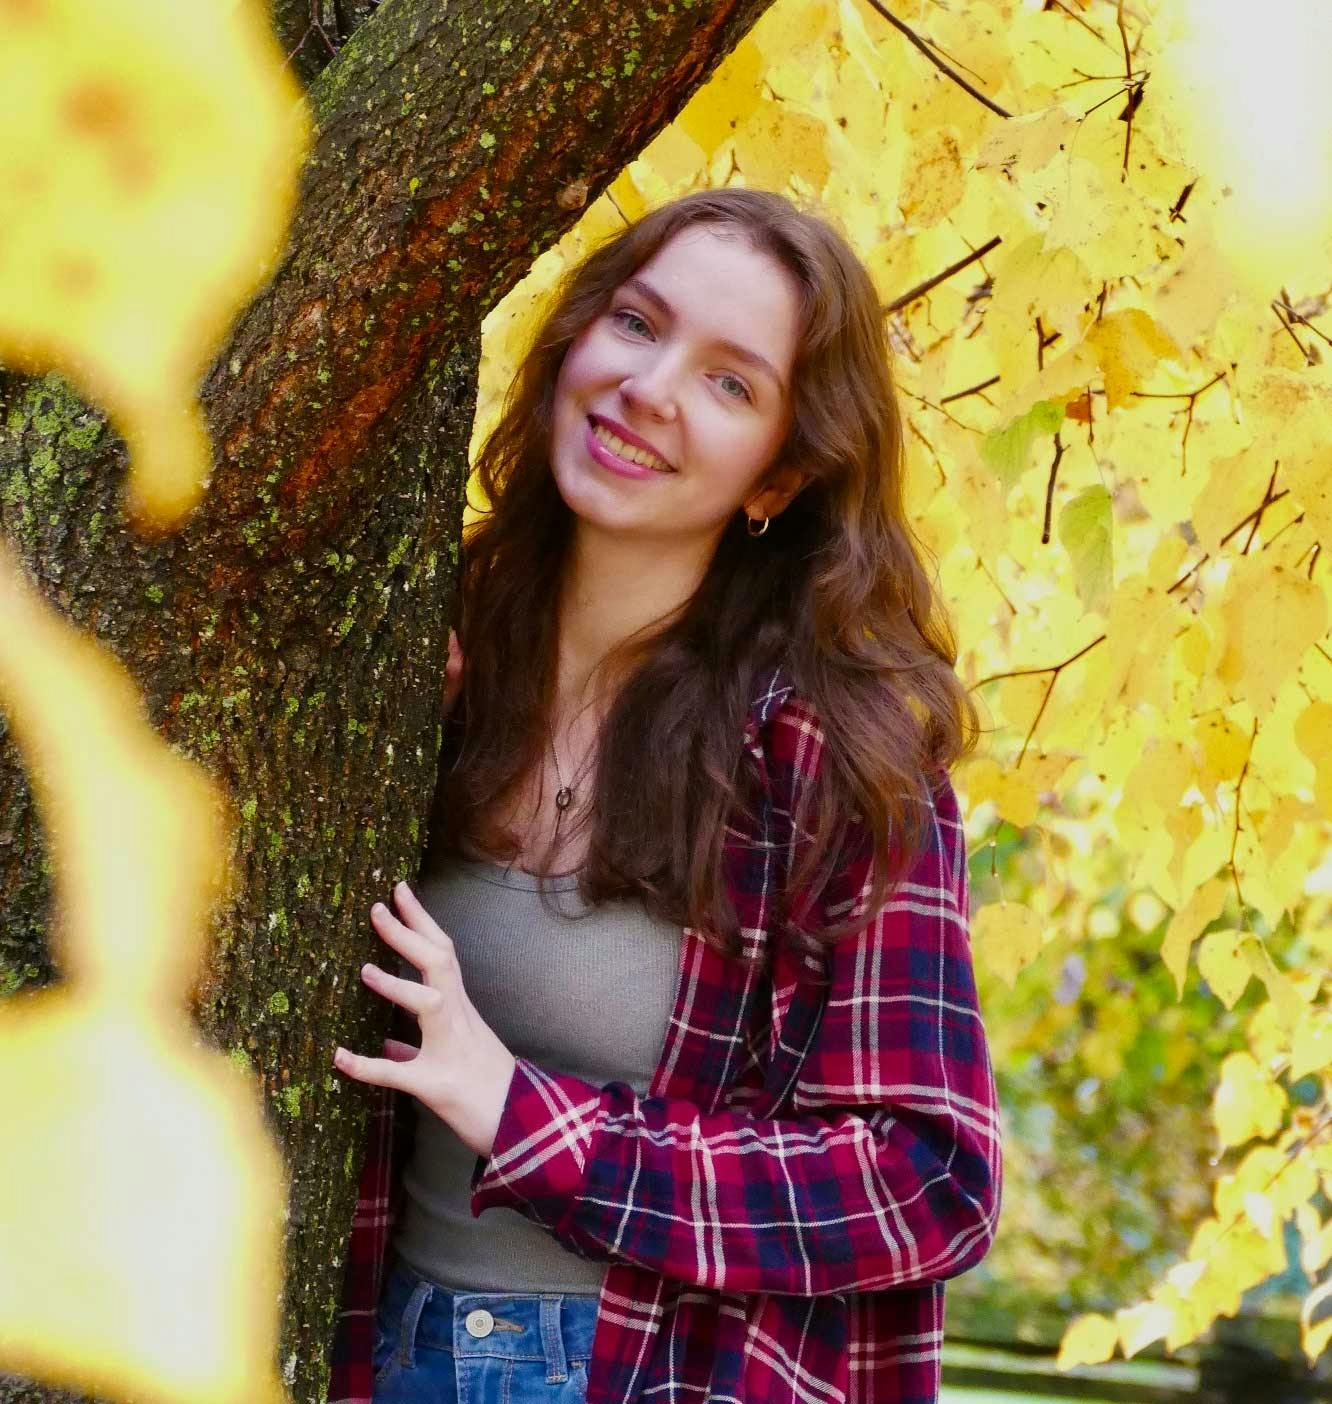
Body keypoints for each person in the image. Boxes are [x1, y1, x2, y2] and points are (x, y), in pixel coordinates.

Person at [327, 187, 1002, 1404]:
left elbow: (928, 1182)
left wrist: (529, 1117)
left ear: (780, 477)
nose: (649, 389)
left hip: (649, 1376)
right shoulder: (422, 651)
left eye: (731, 383)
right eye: (637, 325)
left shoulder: (841, 752)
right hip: (377, 1355)